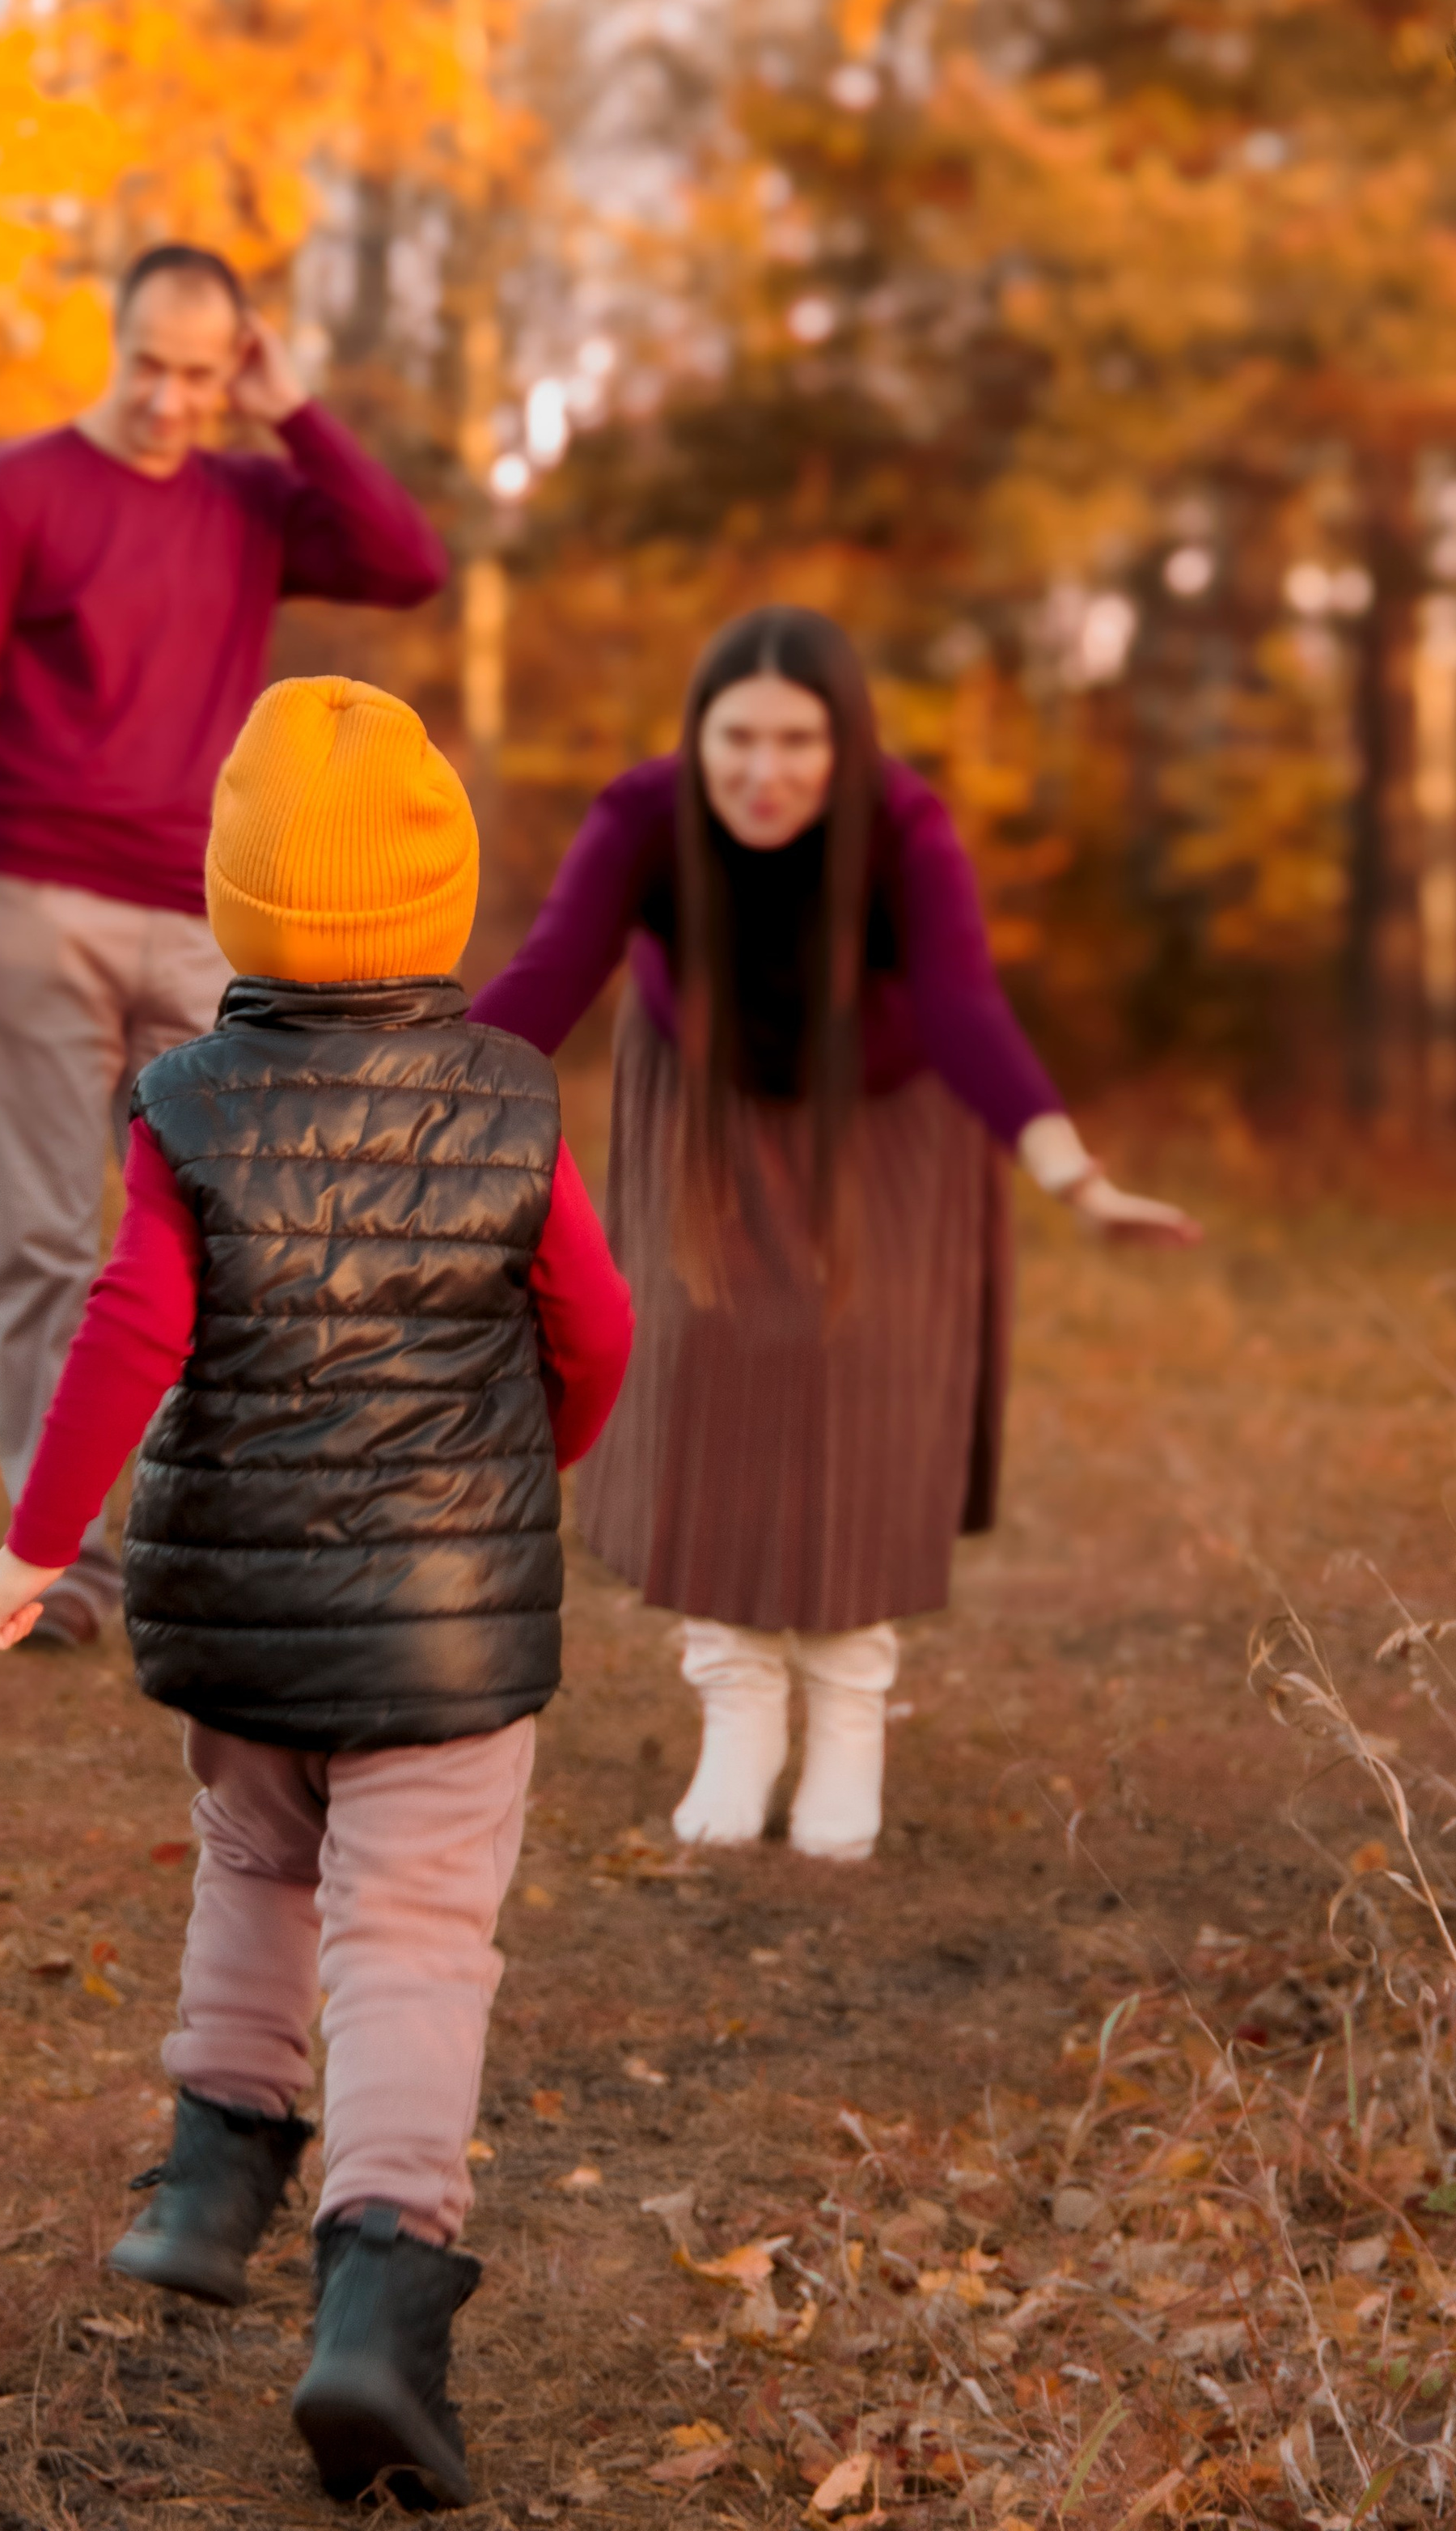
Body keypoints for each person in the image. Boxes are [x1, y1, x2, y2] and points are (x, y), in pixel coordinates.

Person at [0, 676, 633, 2512]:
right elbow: (596, 1326)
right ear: (437, 898)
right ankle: (375, 2310)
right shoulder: (510, 1095)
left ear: (232, 899)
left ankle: (208, 2175)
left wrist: (41, 1539)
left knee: (256, 1867)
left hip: (242, 1615)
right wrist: (523, 1474)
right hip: (448, 1620)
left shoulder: (183, 1101)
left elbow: (129, 1330)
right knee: (413, 1934)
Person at [469, 604, 1196, 1866]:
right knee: (706, 1372)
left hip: (888, 1116)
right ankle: (739, 1708)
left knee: (859, 1388)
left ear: (845, 741)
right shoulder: (640, 817)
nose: (766, 772)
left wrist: (1073, 1178)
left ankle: (851, 1710)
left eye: (799, 740)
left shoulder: (904, 826)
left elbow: (968, 1006)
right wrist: (392, 1104)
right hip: (704, 1113)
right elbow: (548, 976)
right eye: (736, 738)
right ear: (696, 739)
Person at [0, 244, 450, 1647]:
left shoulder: (251, 502)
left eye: (203, 375)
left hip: (206, 924)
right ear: (113, 340)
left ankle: (226, 1545)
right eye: (151, 364)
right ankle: (60, 1573)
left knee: (244, 1234)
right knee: (45, 1246)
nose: (169, 399)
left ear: (232, 369)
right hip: (34, 911)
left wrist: (296, 414)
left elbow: (409, 563)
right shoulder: (19, 489)